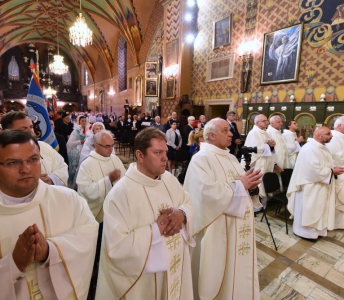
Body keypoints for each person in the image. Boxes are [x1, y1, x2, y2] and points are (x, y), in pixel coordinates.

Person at [0, 130, 99, 299]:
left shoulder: (70, 200)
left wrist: (50, 251)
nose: (26, 169)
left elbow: (87, 235)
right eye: (13, 162)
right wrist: (12, 265)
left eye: (33, 159)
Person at [96, 127, 195, 299]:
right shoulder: (120, 194)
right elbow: (117, 248)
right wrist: (156, 230)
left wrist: (182, 213)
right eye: (158, 152)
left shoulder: (169, 179)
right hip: (145, 283)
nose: (165, 157)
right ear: (140, 156)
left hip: (175, 266)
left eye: (165, 151)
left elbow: (188, 202)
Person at [183, 118, 262, 300]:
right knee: (217, 270)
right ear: (211, 135)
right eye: (225, 130)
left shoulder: (230, 157)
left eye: (229, 130)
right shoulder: (201, 159)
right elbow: (205, 194)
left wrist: (249, 185)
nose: (231, 134)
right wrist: (240, 185)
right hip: (217, 228)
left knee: (235, 268)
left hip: (236, 227)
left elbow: (240, 184)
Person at [0, 112, 69, 202]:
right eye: (24, 129)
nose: (30, 131)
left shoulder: (45, 147)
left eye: (31, 127)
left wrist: (51, 179)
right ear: (7, 131)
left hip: (48, 203)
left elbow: (62, 167)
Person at [76, 130, 126, 299]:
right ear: (96, 146)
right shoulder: (87, 164)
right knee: (97, 252)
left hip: (115, 214)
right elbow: (85, 190)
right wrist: (107, 181)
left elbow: (126, 182)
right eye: (106, 146)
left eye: (112, 145)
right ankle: (94, 283)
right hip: (97, 216)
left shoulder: (115, 159)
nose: (111, 150)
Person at [287, 126, 344, 239]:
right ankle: (305, 233)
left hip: (320, 185)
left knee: (319, 208)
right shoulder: (309, 148)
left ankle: (318, 231)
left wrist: (332, 168)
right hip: (311, 186)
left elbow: (326, 164)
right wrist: (332, 171)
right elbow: (312, 170)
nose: (331, 135)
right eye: (328, 134)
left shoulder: (323, 147)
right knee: (310, 210)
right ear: (318, 136)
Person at [326, 116, 344, 229]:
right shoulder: (333, 137)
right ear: (339, 125)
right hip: (339, 173)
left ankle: (343, 223)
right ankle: (335, 223)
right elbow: (336, 157)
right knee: (338, 199)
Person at [243, 114, 275, 200]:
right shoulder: (253, 133)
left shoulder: (265, 132)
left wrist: (272, 145)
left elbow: (268, 147)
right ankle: (255, 206)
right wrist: (268, 145)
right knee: (257, 184)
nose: (266, 123)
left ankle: (263, 205)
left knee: (265, 183)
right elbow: (256, 149)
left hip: (265, 161)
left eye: (266, 121)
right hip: (257, 163)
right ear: (257, 122)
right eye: (264, 121)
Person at [67, 115, 88, 189]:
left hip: (86, 150)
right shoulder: (76, 131)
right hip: (78, 152)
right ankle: (75, 185)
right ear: (79, 122)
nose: (84, 122)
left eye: (85, 121)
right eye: (82, 121)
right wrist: (80, 141)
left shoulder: (88, 130)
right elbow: (70, 143)